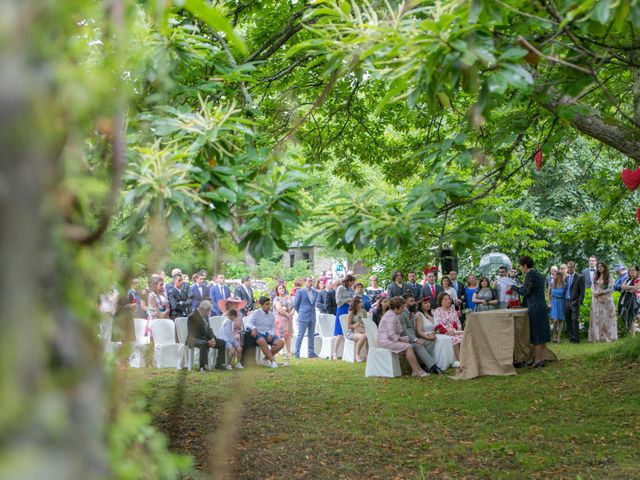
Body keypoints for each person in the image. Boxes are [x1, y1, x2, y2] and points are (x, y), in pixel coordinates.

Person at [511, 256, 550, 367]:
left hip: (535, 307)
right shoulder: (537, 274)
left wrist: (514, 287)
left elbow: (526, 292)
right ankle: (540, 358)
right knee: (542, 333)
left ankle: (537, 360)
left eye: (520, 266)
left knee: (537, 334)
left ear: (525, 265)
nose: (520, 269)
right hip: (541, 306)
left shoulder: (530, 274)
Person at [377, 296, 429, 378]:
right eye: (401, 308)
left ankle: (417, 370)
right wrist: (400, 340)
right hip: (385, 342)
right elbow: (391, 334)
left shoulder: (392, 314)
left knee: (409, 344)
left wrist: (402, 339)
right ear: (395, 308)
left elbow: (397, 332)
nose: (403, 309)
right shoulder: (391, 316)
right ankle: (417, 371)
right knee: (408, 346)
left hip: (388, 340)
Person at [400, 293, 443, 374]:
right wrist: (416, 339)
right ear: (405, 303)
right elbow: (404, 331)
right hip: (405, 340)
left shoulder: (411, 312)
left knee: (432, 340)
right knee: (418, 345)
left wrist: (428, 335)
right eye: (411, 301)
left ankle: (424, 364)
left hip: (413, 337)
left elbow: (415, 329)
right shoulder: (401, 314)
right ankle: (433, 367)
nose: (414, 303)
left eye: (413, 300)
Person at [186, 300, 226, 371]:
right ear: (201, 309)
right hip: (193, 338)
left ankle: (219, 365)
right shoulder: (192, 317)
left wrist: (212, 338)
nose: (208, 313)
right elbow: (194, 334)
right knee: (204, 343)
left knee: (222, 342)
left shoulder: (205, 315)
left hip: (204, 338)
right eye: (207, 311)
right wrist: (207, 341)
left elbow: (208, 329)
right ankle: (203, 366)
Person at [245, 297, 285, 368]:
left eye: (269, 304)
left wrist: (272, 335)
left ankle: (264, 359)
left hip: (267, 334)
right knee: (262, 340)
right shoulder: (256, 313)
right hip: (258, 333)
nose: (269, 306)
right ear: (261, 305)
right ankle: (273, 361)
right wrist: (253, 328)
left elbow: (273, 327)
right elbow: (248, 324)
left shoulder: (271, 315)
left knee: (281, 343)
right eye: (267, 304)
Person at [415, 297, 447, 374]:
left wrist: (437, 331)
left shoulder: (432, 313)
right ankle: (433, 366)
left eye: (428, 302)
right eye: (425, 303)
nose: (428, 304)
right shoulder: (419, 315)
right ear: (420, 305)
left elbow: (436, 327)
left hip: (433, 334)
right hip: (424, 335)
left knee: (444, 338)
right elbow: (419, 331)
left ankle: (425, 364)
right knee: (434, 340)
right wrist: (428, 337)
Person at [588, 261, 618, 342]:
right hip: (596, 300)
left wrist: (601, 292)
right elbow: (592, 286)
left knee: (606, 318)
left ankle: (608, 336)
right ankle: (597, 336)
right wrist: (595, 293)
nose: (600, 268)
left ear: (605, 267)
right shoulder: (595, 276)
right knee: (597, 317)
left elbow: (610, 288)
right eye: (598, 266)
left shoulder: (609, 276)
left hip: (606, 300)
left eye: (601, 266)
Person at [432, 293, 462, 367]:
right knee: (455, 338)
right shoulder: (437, 311)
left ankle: (468, 357)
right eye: (445, 299)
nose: (448, 301)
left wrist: (459, 328)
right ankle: (460, 360)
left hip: (455, 330)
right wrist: (447, 330)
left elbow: (458, 322)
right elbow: (438, 324)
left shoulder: (453, 310)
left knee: (465, 336)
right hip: (444, 331)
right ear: (441, 301)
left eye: (449, 299)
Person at [293, 276, 319, 359]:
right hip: (303, 315)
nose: (311, 282)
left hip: (312, 315)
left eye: (312, 281)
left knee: (311, 335)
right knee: (300, 335)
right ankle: (297, 353)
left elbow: (314, 303)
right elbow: (295, 304)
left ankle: (311, 353)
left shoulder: (315, 292)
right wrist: (301, 312)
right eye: (309, 281)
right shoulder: (300, 291)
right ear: (305, 282)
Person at [332, 274, 356, 360]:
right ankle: (334, 353)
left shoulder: (350, 289)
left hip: (350, 310)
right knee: (340, 332)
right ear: (348, 281)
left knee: (349, 330)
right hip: (342, 309)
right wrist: (348, 300)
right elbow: (338, 302)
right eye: (352, 282)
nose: (353, 284)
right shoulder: (340, 288)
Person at [563, 261, 585, 344]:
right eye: (568, 267)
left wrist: (579, 301)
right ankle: (571, 337)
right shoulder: (566, 278)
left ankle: (576, 338)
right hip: (566, 301)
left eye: (571, 267)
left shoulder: (580, 277)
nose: (569, 268)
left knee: (574, 319)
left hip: (574, 302)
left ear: (574, 268)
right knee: (568, 320)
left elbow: (582, 292)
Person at [273, 284, 295, 360]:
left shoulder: (289, 297)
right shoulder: (277, 299)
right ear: (277, 291)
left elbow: (293, 306)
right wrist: (287, 314)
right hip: (280, 319)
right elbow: (279, 308)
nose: (282, 289)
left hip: (288, 319)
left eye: (283, 288)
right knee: (279, 336)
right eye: (280, 288)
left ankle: (288, 352)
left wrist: (291, 313)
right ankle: (277, 352)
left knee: (287, 336)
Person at [345, 296, 368, 362]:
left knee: (368, 336)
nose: (361, 304)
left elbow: (365, 323)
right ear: (355, 303)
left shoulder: (363, 311)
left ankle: (367, 354)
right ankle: (357, 355)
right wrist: (356, 325)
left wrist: (362, 325)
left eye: (362, 302)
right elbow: (348, 326)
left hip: (362, 330)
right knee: (363, 337)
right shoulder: (351, 312)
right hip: (351, 332)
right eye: (359, 302)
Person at [620, 265, 640, 337]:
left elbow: (635, 289)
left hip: (636, 300)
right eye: (630, 270)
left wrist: (627, 288)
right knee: (630, 317)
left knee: (637, 316)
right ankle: (633, 336)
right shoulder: (627, 279)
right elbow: (622, 286)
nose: (631, 271)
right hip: (627, 300)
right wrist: (631, 287)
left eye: (633, 270)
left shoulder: (638, 279)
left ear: (637, 271)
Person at [548, 270, 566, 344]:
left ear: (559, 276)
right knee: (555, 320)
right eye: (554, 275)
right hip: (554, 302)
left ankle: (558, 336)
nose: (554, 277)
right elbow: (548, 294)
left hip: (561, 302)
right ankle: (554, 335)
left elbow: (565, 294)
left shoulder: (564, 284)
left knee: (561, 319)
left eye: (555, 275)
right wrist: (549, 303)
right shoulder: (551, 283)